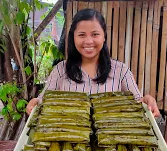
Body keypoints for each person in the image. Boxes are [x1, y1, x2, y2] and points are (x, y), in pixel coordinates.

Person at [26, 9, 160, 117]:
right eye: (82, 35)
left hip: (111, 144)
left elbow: (137, 103)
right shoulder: (60, 70)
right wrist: (36, 102)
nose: (88, 41)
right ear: (74, 37)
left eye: (95, 34)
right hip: (70, 143)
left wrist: (147, 100)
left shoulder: (121, 71)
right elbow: (43, 100)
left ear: (104, 36)